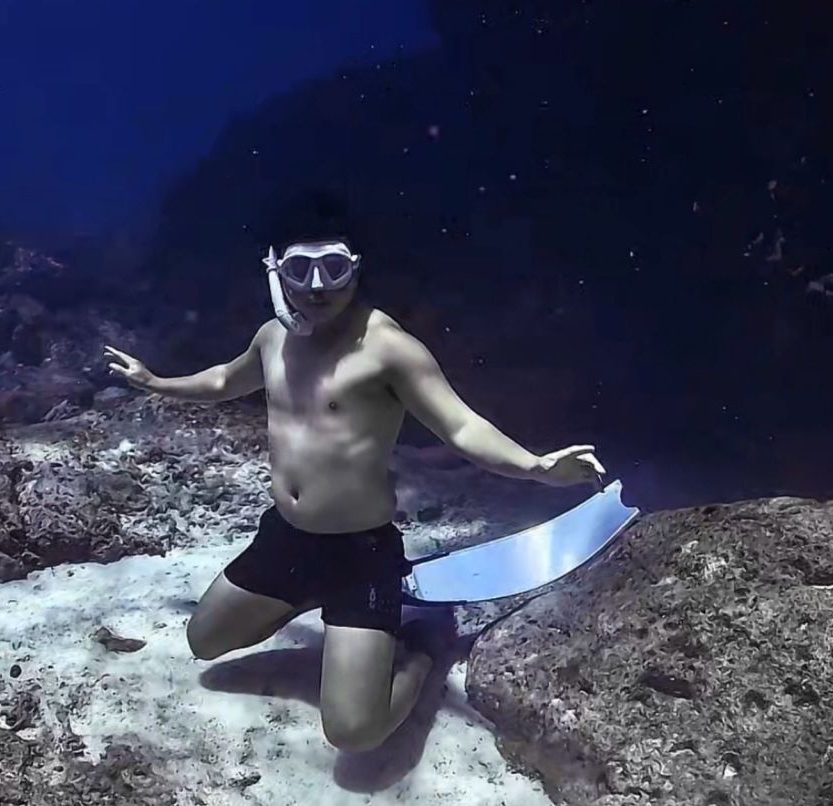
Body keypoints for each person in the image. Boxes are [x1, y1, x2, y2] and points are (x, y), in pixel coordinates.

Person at [104, 204, 605, 754]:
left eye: (334, 267)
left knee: (353, 733)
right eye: (300, 270)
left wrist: (535, 466)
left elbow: (460, 424)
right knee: (204, 644)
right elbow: (227, 378)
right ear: (274, 271)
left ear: (356, 267)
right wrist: (156, 382)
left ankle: (417, 648)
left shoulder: (387, 348)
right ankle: (307, 603)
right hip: (286, 538)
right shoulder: (273, 337)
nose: (318, 286)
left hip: (360, 555)